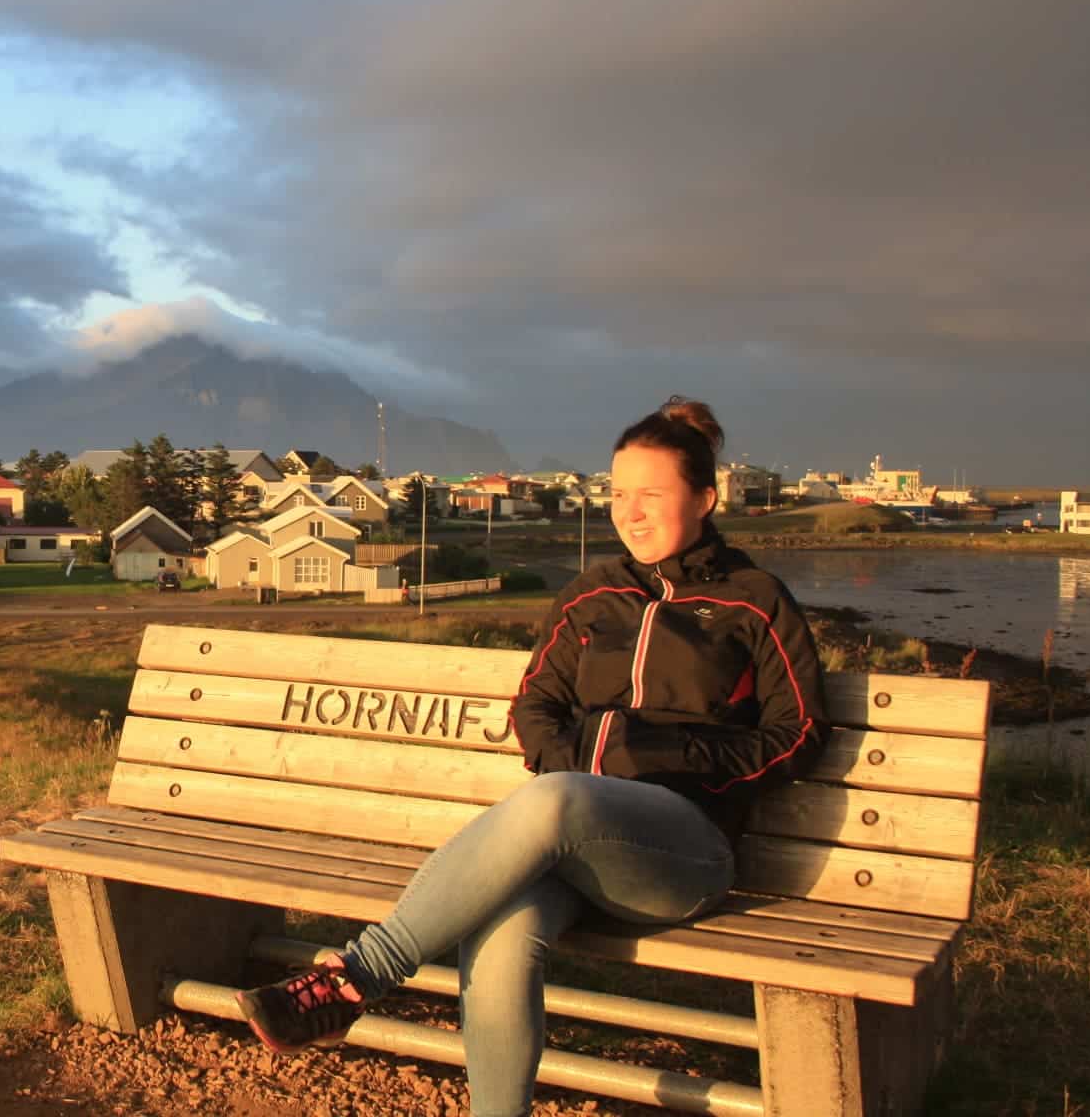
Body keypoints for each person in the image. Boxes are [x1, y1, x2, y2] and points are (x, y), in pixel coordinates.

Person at [236, 397, 828, 1117]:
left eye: (653, 495)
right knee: (500, 937)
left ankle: (362, 974)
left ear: (705, 498)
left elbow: (799, 731)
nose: (630, 512)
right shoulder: (593, 595)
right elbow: (535, 707)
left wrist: (681, 762)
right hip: (577, 849)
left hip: (682, 852)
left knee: (556, 800)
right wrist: (576, 769)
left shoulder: (755, 599)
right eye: (618, 494)